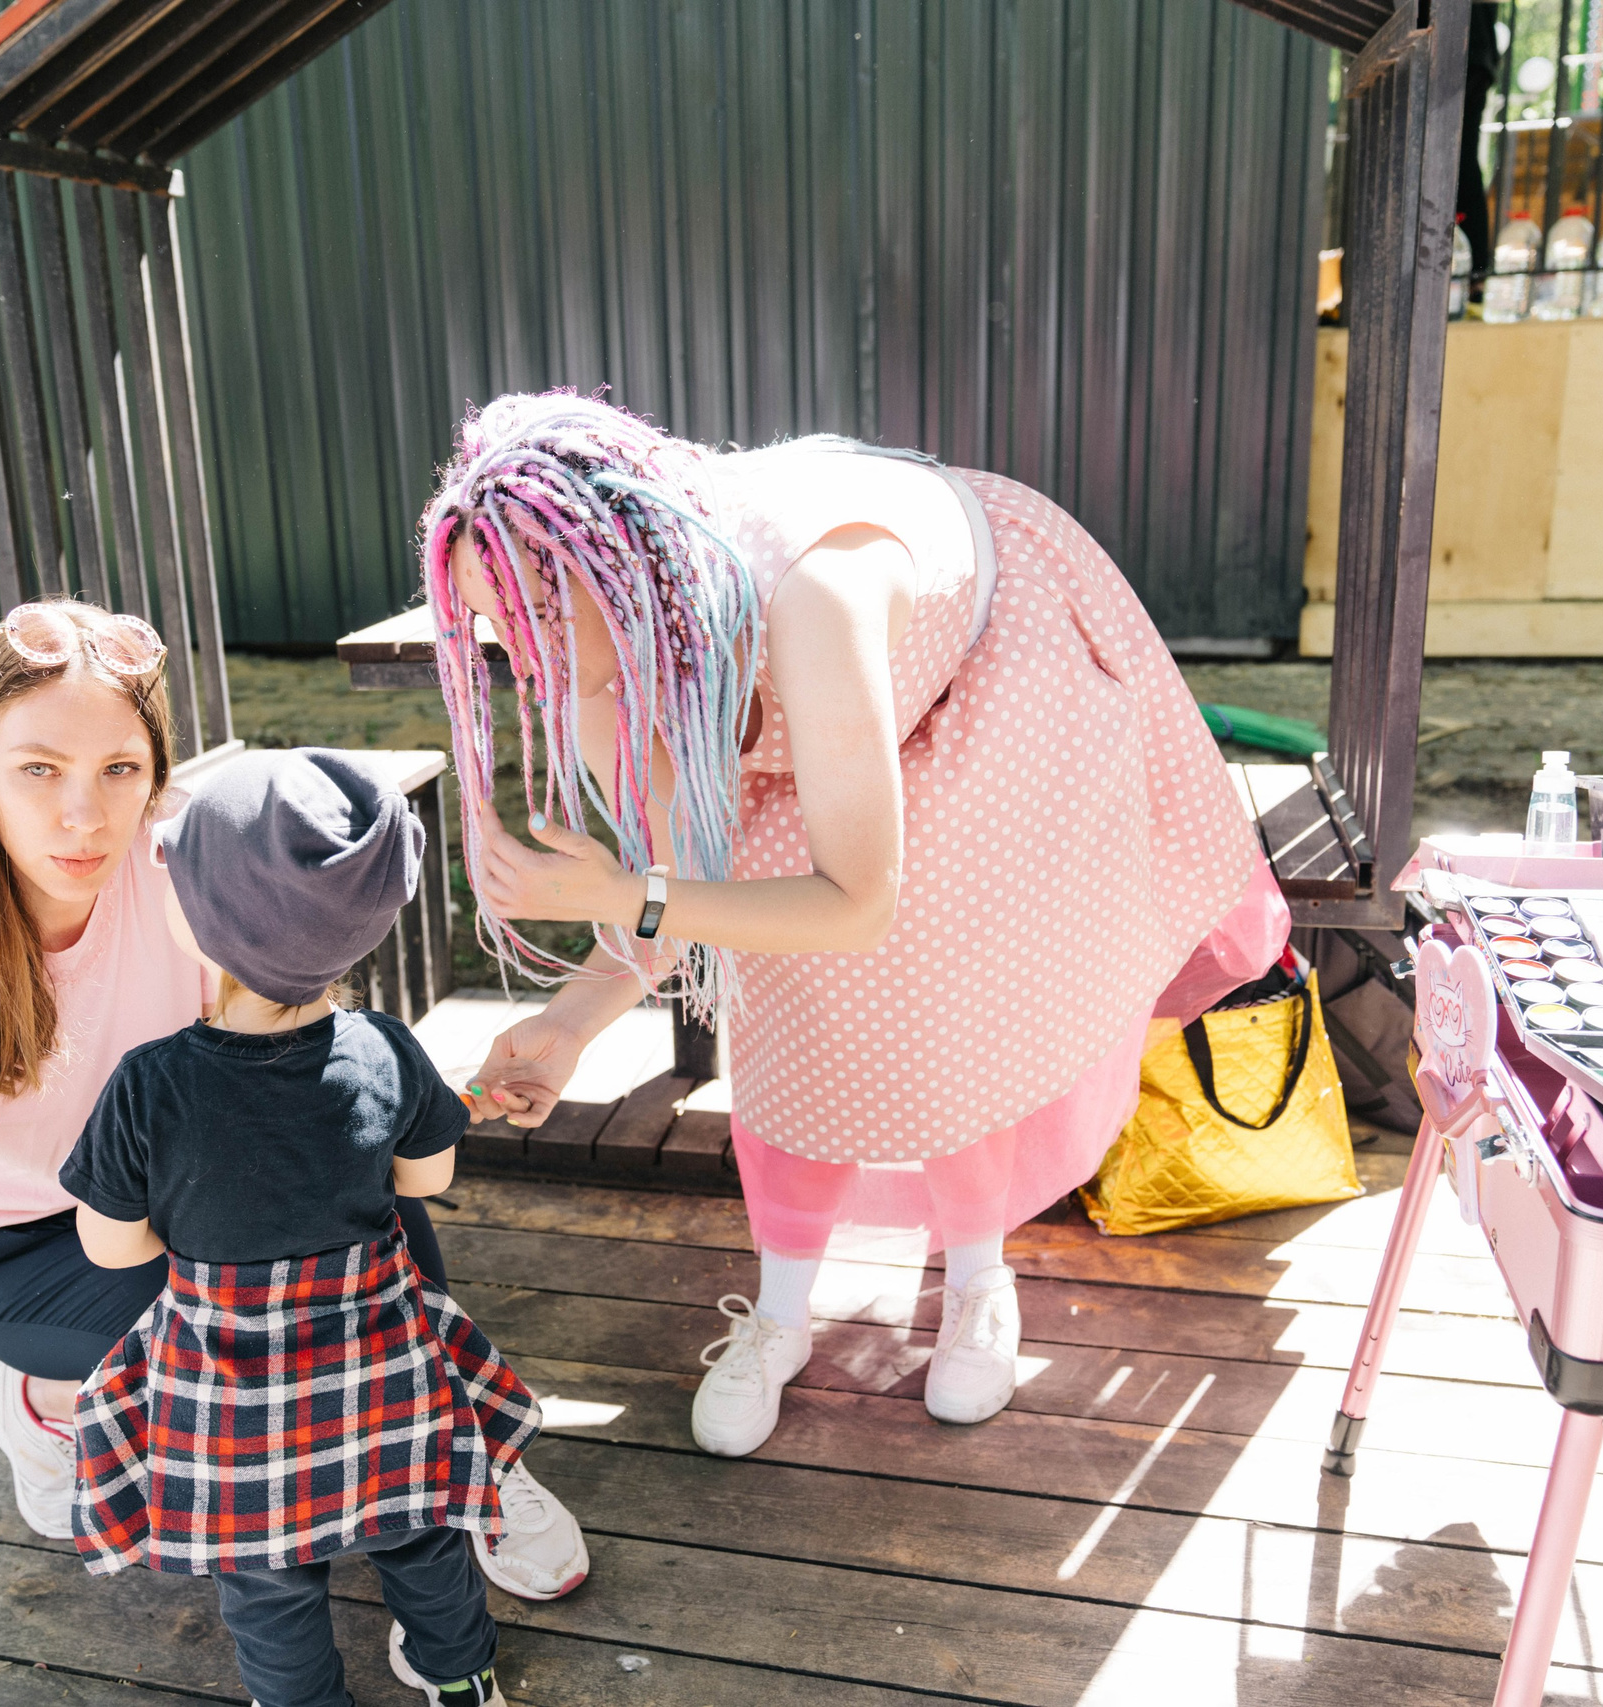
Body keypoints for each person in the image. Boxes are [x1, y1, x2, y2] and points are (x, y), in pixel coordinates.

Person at [425, 395, 1284, 1458]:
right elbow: (687, 877)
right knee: (783, 988)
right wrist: (570, 1024)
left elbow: (852, 901)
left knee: (940, 990)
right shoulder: (598, 664)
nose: (522, 656)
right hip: (828, 690)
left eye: (537, 616)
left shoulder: (817, 594)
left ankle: (978, 1278)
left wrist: (620, 895)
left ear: (621, 573)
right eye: (494, 625)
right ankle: (781, 1310)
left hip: (986, 668)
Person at [0, 600, 587, 1603]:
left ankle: (464, 1449)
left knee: (362, 1220)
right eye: (38, 769)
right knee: (247, 1338)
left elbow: (303, 1060)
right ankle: (48, 1402)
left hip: (176, 1189)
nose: (85, 817)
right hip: (28, 1251)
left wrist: (437, 1096)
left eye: (120, 769)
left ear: (157, 771)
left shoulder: (181, 859)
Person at [67, 748, 537, 1707]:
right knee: (424, 1539)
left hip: (233, 1403)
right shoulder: (384, 1048)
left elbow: (109, 1245)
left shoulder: (150, 1083)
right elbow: (427, 1177)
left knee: (268, 1586)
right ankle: (463, 1681)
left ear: (210, 920)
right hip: (385, 1381)